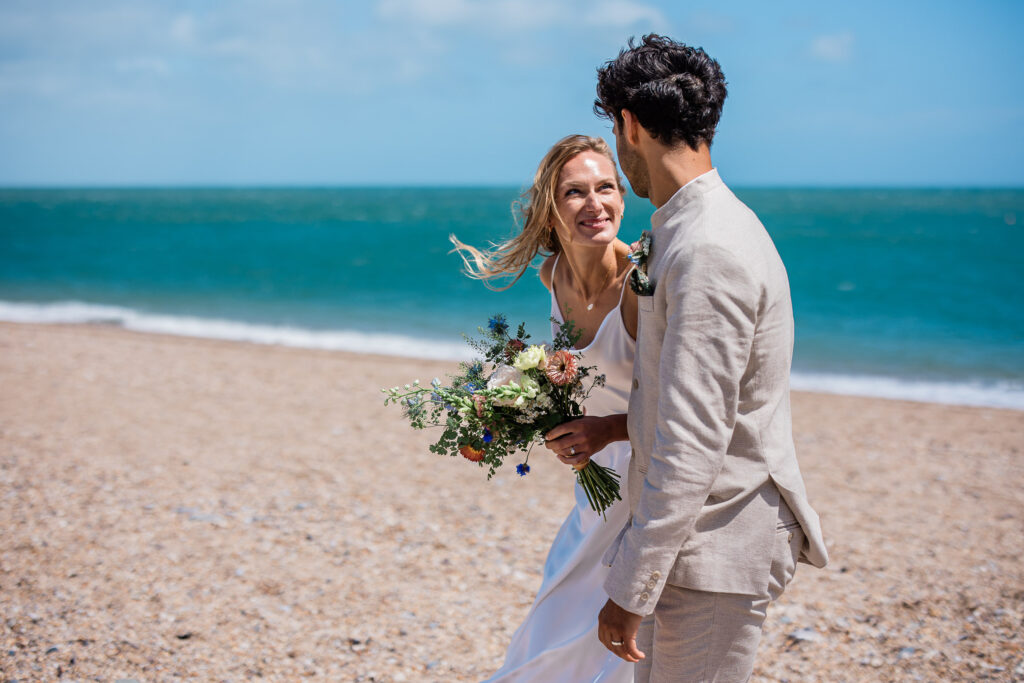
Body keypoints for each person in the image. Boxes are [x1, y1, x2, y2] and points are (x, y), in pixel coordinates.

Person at [591, 35, 830, 681]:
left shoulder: (707, 249)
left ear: (629, 125)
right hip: (692, 541)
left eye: (615, 130)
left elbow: (695, 436)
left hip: (718, 543)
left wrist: (630, 587)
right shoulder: (688, 230)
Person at [451, 134, 638, 682]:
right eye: (575, 192)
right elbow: (563, 372)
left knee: (612, 636)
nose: (594, 204)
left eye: (606, 187)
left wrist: (607, 428)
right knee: (554, 617)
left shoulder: (641, 286)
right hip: (597, 481)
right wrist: (512, 404)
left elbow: (682, 403)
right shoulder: (551, 274)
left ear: (624, 198)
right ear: (552, 208)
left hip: (650, 475)